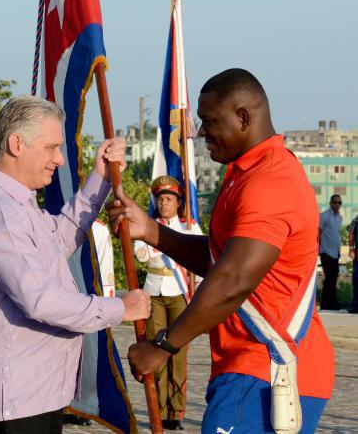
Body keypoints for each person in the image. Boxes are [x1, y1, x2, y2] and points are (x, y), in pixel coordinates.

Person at [109, 69, 334, 434]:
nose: (200, 133)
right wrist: (151, 231)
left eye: (209, 121)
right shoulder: (246, 173)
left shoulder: (269, 181)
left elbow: (233, 279)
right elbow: (219, 261)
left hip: (266, 369)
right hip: (248, 367)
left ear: (243, 117)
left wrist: (162, 347)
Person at [0, 96, 151, 433]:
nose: (59, 159)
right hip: (15, 400)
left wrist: (101, 178)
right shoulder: (1, 212)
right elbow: (40, 300)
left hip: (31, 393)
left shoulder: (16, 204)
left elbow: (60, 238)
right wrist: (120, 308)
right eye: (51, 147)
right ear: (17, 144)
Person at [134, 175, 202, 431]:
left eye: (169, 199)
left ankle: (176, 412)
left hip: (179, 294)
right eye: (160, 199)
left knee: (178, 355)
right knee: (156, 352)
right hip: (155, 293)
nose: (164, 204)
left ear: (178, 202)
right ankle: (159, 409)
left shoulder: (189, 228)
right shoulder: (148, 226)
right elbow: (141, 255)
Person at [318, 194, 343, 310]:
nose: (337, 205)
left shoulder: (340, 218)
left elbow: (337, 235)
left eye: (339, 203)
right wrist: (317, 248)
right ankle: (325, 305)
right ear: (330, 203)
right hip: (325, 251)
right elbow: (318, 232)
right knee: (329, 278)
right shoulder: (324, 216)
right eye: (335, 202)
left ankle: (332, 304)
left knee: (333, 278)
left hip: (335, 252)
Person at [348, 215, 358, 313]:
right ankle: (356, 306)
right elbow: (351, 235)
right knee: (356, 281)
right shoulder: (356, 220)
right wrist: (351, 248)